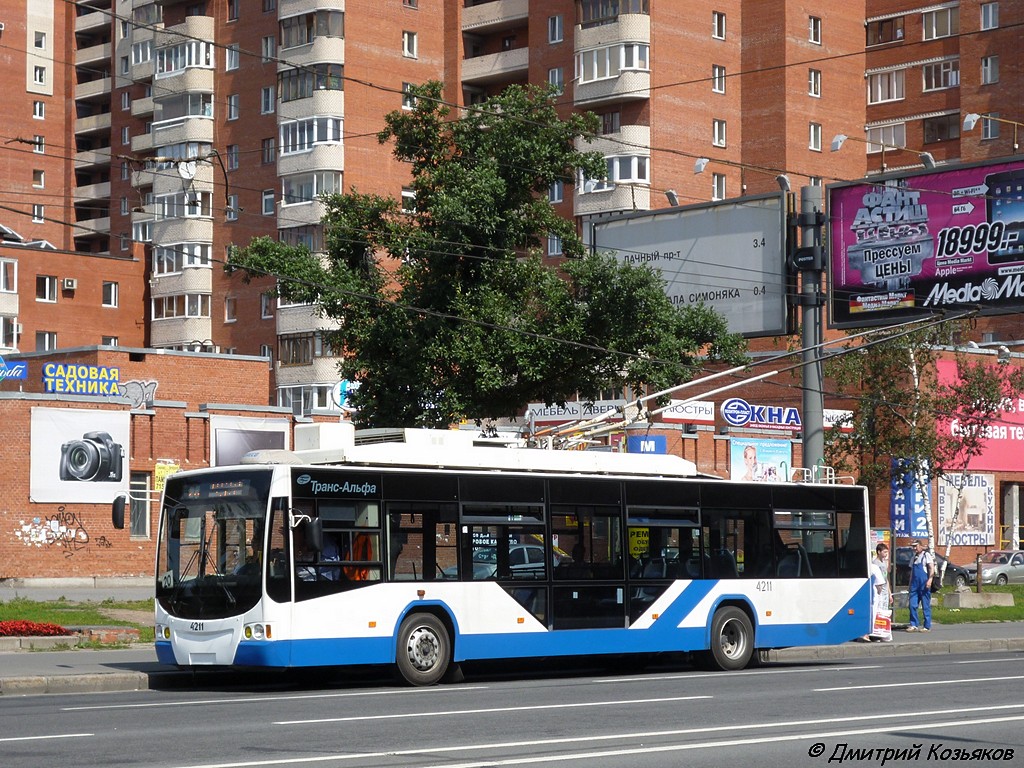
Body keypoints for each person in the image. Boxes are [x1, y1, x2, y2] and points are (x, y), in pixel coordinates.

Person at [907, 538, 934, 632]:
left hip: (924, 584)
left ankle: (927, 626)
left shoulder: (926, 555)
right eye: (913, 546)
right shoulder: (914, 557)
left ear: (921, 546)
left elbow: (931, 568)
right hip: (914, 585)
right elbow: (911, 572)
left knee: (925, 605)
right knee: (912, 605)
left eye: (916, 546)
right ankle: (913, 624)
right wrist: (909, 584)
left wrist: (930, 580)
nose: (914, 548)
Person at [869, 542, 893, 642]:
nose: (886, 554)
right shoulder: (875, 563)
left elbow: (885, 578)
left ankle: (884, 632)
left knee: (884, 612)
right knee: (877, 612)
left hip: (884, 591)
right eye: (884, 552)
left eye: (887, 552)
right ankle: (876, 634)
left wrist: (889, 593)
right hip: (878, 591)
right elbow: (877, 580)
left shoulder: (884, 562)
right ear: (878, 552)